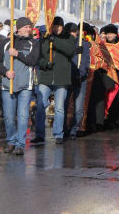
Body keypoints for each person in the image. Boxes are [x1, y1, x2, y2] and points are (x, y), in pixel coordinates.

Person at [0, 17, 40, 155]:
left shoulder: (33, 43)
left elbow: (33, 61)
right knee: (8, 116)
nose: (29, 29)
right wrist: (5, 72)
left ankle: (20, 144)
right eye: (26, 27)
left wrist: (17, 54)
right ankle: (11, 141)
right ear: (18, 28)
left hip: (26, 85)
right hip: (8, 85)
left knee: (23, 115)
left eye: (30, 27)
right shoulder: (6, 43)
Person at [32, 16, 75, 144]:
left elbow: (70, 51)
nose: (57, 28)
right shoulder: (43, 40)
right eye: (54, 26)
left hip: (61, 79)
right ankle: (39, 134)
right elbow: (37, 58)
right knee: (40, 105)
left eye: (59, 26)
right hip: (46, 77)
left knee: (59, 108)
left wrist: (55, 41)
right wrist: (45, 64)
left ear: (62, 27)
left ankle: (58, 134)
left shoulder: (69, 38)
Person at [64, 22, 87, 139]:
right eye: (71, 31)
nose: (73, 34)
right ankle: (63, 128)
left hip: (79, 79)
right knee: (64, 105)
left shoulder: (83, 44)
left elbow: (85, 60)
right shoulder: (64, 43)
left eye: (74, 31)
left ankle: (74, 129)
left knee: (78, 107)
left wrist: (80, 73)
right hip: (66, 78)